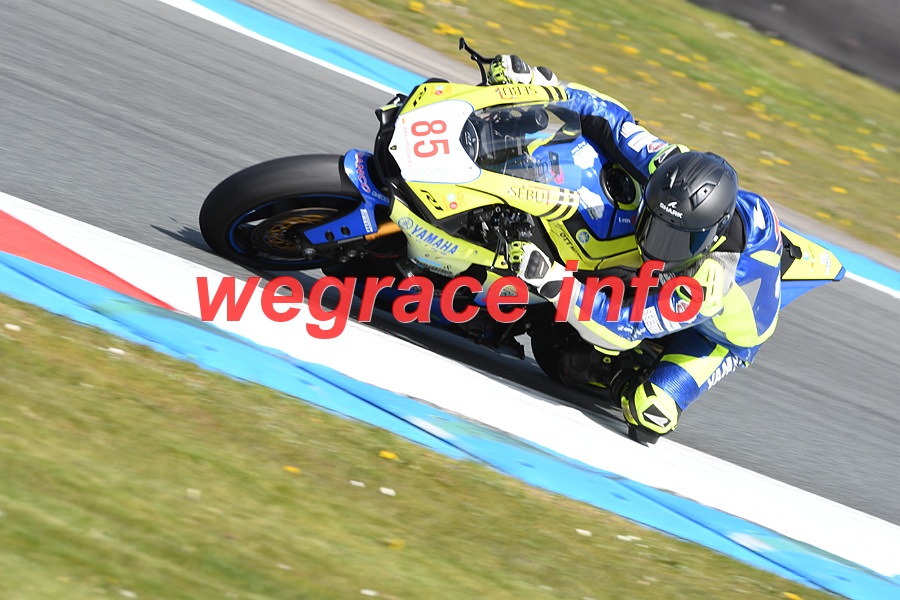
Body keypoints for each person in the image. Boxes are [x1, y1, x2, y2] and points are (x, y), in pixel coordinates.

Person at [489, 55, 783, 445]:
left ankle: (627, 373)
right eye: (655, 226)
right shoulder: (672, 167)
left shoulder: (705, 288)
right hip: (711, 243)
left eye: (674, 240)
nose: (657, 246)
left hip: (716, 336)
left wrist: (552, 281)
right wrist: (543, 89)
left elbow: (623, 326)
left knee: (648, 412)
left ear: (710, 238)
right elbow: (611, 118)